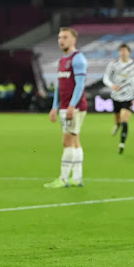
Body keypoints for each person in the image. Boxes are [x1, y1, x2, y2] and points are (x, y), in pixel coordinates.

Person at [44, 27, 88, 188]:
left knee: (67, 141)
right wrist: (54, 107)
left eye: (65, 37)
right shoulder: (62, 60)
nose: (61, 40)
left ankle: (63, 179)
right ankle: (76, 178)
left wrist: (71, 105)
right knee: (75, 141)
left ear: (73, 40)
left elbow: (80, 84)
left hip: (73, 107)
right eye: (59, 37)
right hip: (65, 106)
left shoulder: (78, 59)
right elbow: (59, 85)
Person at [103, 43, 134, 154]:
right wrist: (112, 86)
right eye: (121, 51)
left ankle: (122, 144)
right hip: (116, 95)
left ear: (129, 52)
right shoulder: (113, 65)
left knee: (124, 119)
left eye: (125, 51)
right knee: (117, 119)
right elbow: (106, 78)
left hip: (129, 95)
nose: (123, 53)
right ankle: (116, 125)